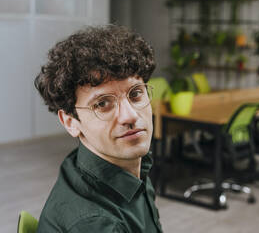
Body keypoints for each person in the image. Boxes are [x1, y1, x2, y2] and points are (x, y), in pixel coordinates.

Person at [34, 25, 163, 232]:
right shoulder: (98, 224)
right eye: (102, 104)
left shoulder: (127, 164)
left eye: (136, 93)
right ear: (70, 122)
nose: (129, 115)